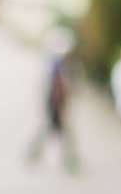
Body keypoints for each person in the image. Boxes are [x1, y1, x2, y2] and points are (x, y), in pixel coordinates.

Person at [25, 29, 80, 174]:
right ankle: (69, 160)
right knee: (59, 130)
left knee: (52, 129)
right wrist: (60, 106)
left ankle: (35, 153)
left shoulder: (53, 62)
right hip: (56, 102)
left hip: (53, 101)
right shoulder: (58, 64)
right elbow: (58, 87)